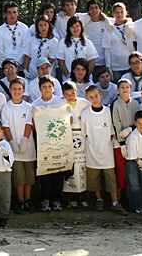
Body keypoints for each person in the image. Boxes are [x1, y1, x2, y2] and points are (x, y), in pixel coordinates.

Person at [82, 86, 127, 214]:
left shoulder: (108, 111)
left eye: (96, 96)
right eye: (91, 97)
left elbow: (112, 133)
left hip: (107, 152)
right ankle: (99, 200)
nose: (94, 99)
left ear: (100, 95)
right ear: (87, 98)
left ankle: (115, 202)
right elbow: (84, 133)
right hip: (92, 152)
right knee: (94, 180)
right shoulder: (85, 114)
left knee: (111, 179)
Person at [28, 75, 66, 212]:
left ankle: (57, 199)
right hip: (42, 142)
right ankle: (45, 199)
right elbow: (31, 123)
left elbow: (69, 119)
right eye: (44, 87)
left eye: (50, 86)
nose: (47, 89)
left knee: (58, 169)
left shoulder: (60, 103)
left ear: (54, 87)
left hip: (58, 141)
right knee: (44, 171)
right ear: (39, 89)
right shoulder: (35, 105)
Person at [0, 78, 34, 214]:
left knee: (29, 177)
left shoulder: (28, 107)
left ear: (23, 90)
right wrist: (13, 143)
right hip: (14, 148)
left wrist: (25, 141)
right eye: (14, 89)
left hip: (28, 147)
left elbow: (29, 124)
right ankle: (20, 201)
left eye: (19, 89)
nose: (17, 91)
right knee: (19, 177)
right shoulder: (6, 107)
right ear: (10, 90)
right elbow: (5, 126)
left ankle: (28, 200)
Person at [61, 81, 91, 209]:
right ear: (63, 94)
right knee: (69, 167)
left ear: (76, 92)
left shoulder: (84, 103)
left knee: (81, 166)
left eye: (72, 94)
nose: (69, 97)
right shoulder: (60, 104)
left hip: (82, 137)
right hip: (67, 137)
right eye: (66, 94)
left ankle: (83, 195)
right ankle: (70, 196)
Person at [111, 78, 140, 196]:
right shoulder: (115, 104)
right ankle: (118, 197)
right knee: (121, 171)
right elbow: (116, 125)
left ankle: (132, 196)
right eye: (122, 87)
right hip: (119, 143)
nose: (125, 89)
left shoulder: (136, 104)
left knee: (133, 170)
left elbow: (139, 121)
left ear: (131, 89)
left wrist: (131, 129)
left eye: (127, 87)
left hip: (133, 141)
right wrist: (122, 144)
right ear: (118, 90)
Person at [56, 16, 98, 81]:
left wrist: (85, 75)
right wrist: (68, 75)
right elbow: (60, 61)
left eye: (77, 26)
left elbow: (92, 61)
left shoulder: (88, 42)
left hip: (85, 80)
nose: (75, 29)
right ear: (69, 28)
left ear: (81, 27)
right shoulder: (63, 42)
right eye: (72, 27)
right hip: (69, 79)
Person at [0, 1, 30, 76]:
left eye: (14, 12)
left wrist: (16, 63)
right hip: (3, 67)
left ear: (18, 13)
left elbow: (26, 47)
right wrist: (8, 65)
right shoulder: (0, 31)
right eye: (9, 12)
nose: (12, 15)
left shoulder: (25, 28)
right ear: (5, 14)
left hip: (20, 67)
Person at [103, 2, 135, 82]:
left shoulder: (131, 26)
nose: (119, 15)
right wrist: (108, 67)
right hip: (115, 67)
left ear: (125, 12)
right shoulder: (109, 29)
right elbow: (107, 49)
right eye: (117, 12)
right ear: (113, 14)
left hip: (129, 65)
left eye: (122, 12)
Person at [23, 15, 59, 80]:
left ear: (49, 26)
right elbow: (27, 56)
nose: (43, 27)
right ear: (37, 27)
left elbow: (52, 58)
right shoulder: (32, 40)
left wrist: (41, 69)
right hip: (32, 71)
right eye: (40, 25)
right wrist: (25, 69)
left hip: (47, 72)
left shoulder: (54, 41)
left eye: (45, 25)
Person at [83, 0, 111, 73]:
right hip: (89, 62)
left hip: (104, 63)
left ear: (100, 9)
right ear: (88, 11)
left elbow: (122, 20)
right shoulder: (85, 25)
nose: (94, 10)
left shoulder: (107, 23)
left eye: (96, 7)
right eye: (91, 8)